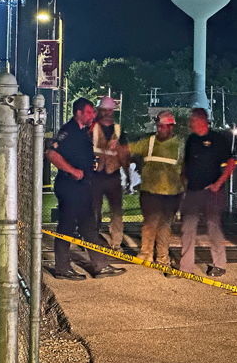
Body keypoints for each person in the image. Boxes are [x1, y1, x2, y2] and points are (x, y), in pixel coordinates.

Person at [45, 97, 126, 281]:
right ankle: (63, 268)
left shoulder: (83, 132)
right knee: (66, 227)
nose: (92, 115)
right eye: (89, 112)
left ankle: (100, 266)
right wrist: (72, 170)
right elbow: (51, 153)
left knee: (89, 228)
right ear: (79, 113)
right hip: (70, 186)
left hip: (82, 188)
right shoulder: (69, 131)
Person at [123, 111, 183, 271]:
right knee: (150, 223)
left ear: (171, 126)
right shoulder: (149, 142)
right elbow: (128, 149)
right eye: (159, 125)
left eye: (163, 125)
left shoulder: (179, 146)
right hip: (150, 192)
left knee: (164, 225)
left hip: (172, 193)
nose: (160, 128)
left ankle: (162, 257)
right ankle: (146, 254)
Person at [179, 108, 236, 277]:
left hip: (212, 192)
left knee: (213, 227)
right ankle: (186, 267)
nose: (190, 124)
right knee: (187, 228)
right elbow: (186, 163)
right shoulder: (191, 140)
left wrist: (218, 184)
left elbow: (231, 162)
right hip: (192, 191)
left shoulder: (217, 139)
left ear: (201, 121)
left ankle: (219, 264)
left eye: (192, 121)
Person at [91, 96, 128, 251]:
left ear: (113, 111)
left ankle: (116, 242)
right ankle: (92, 239)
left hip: (113, 175)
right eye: (103, 110)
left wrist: (128, 175)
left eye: (109, 110)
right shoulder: (91, 129)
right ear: (99, 110)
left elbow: (126, 153)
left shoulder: (119, 130)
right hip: (95, 175)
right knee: (94, 210)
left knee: (117, 211)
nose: (106, 113)